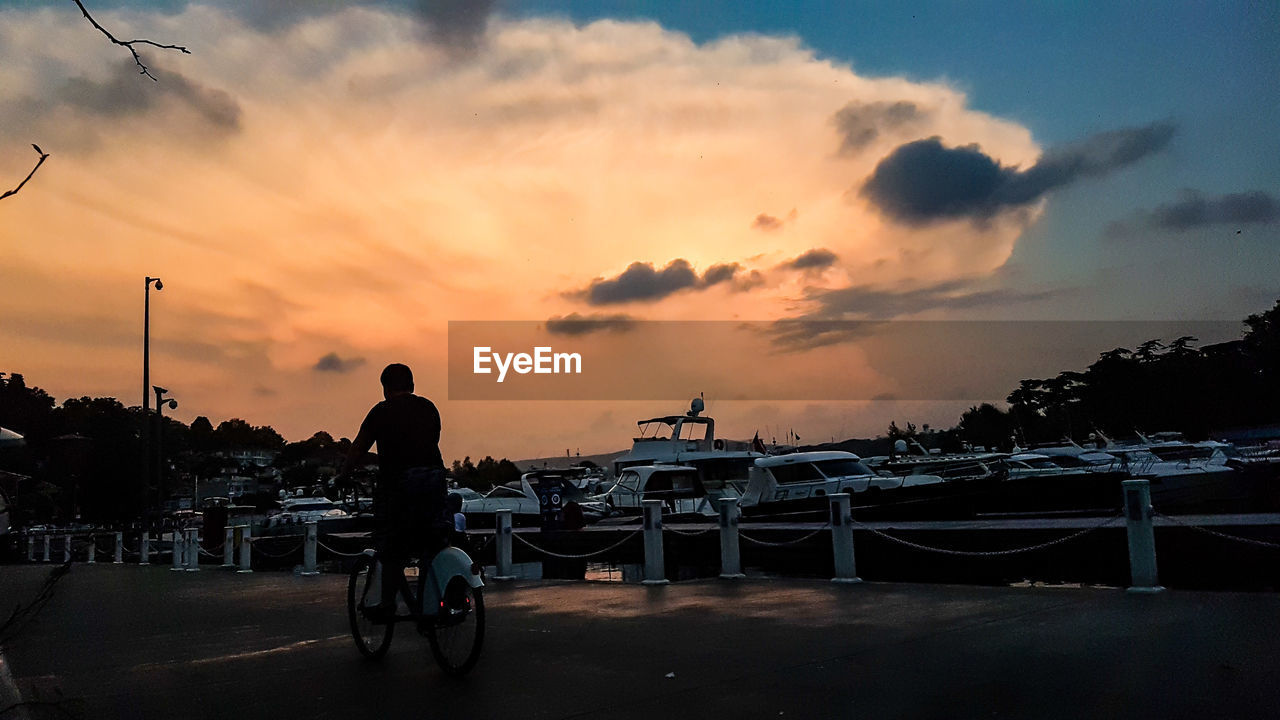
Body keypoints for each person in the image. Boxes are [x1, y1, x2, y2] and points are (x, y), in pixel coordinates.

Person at [338, 363, 448, 622]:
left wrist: (344, 474)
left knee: (391, 547)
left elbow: (359, 447)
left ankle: (387, 604)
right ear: (412, 385)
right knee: (434, 541)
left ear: (385, 388)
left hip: (400, 486)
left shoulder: (381, 411)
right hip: (434, 480)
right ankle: (440, 594)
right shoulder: (429, 407)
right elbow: (433, 440)